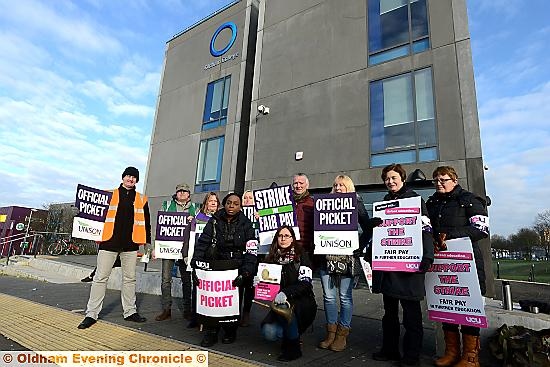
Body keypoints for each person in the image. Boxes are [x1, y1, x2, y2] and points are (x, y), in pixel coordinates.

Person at [370, 164, 434, 366]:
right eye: (387, 178)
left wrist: (428, 256)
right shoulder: (385, 202)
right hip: (389, 266)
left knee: (411, 315)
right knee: (389, 314)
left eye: (393, 177)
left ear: (402, 178)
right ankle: (390, 350)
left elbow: (426, 229)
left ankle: (411, 355)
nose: (390, 181)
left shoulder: (416, 200)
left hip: (409, 266)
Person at [427, 166, 489, 367]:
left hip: (467, 264)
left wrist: (450, 236)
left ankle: (471, 357)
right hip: (442, 264)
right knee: (447, 304)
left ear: (454, 179)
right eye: (436, 180)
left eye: (443, 179)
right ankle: (451, 352)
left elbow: (481, 229)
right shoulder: (432, 202)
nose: (439, 183)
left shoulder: (469, 199)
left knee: (469, 307)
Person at [78, 166, 151, 329]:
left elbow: (147, 222)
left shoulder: (142, 199)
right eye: (128, 176)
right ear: (123, 177)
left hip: (131, 245)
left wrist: (148, 244)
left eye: (134, 177)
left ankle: (130, 312)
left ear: (137, 180)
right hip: (108, 243)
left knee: (129, 279)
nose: (131, 179)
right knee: (100, 278)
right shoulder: (108, 195)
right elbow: (93, 214)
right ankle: (91, 314)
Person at [191, 193, 257, 347]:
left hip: (236, 266)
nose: (231, 206)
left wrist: (246, 272)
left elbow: (252, 250)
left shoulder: (246, 224)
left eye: (235, 203)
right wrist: (196, 266)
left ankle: (230, 330)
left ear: (240, 207)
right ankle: (211, 331)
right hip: (216, 265)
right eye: (229, 203)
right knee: (214, 299)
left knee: (233, 300)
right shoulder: (214, 221)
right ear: (224, 204)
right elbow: (202, 244)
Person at [317, 175, 374, 352]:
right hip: (326, 258)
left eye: (342, 184)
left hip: (347, 258)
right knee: (328, 296)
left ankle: (342, 334)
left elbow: (368, 228)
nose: (338, 187)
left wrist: (359, 246)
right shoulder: (324, 205)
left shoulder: (356, 203)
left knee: (344, 297)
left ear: (349, 187)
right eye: (335, 185)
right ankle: (331, 332)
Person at [260, 225, 317, 362]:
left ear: (292, 238)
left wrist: (285, 292)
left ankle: (293, 348)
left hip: (302, 304)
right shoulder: (271, 257)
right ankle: (291, 334)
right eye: (280, 236)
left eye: (287, 236)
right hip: (280, 304)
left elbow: (305, 283)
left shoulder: (301, 256)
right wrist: (260, 282)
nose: (283, 238)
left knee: (285, 310)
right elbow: (268, 284)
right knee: (269, 332)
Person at [155, 183, 199, 322]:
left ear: (188, 194)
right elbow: (160, 226)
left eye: (184, 191)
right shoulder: (167, 205)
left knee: (187, 280)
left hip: (186, 249)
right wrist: (157, 247)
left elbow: (201, 224)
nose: (181, 193)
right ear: (176, 193)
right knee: (166, 279)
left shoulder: (196, 208)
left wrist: (195, 221)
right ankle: (166, 309)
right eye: (179, 191)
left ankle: (187, 310)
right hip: (169, 248)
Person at [180, 191, 220, 328]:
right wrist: (186, 254)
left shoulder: (221, 218)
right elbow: (189, 237)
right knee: (196, 287)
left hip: (214, 259)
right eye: (210, 201)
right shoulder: (197, 217)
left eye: (215, 201)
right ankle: (195, 317)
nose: (213, 203)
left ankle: (210, 316)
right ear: (206, 203)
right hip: (199, 256)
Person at [239, 190, 257, 327]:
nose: (247, 200)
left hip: (254, 255)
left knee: (250, 286)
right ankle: (236, 311)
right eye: (245, 198)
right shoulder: (237, 214)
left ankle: (246, 312)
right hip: (239, 254)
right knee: (238, 284)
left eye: (250, 198)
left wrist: (262, 218)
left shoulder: (259, 214)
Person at [292, 174, 314, 265]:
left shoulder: (313, 203)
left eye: (301, 183)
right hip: (287, 249)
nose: (298, 186)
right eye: (295, 183)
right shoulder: (285, 202)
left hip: (305, 250)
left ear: (307, 185)